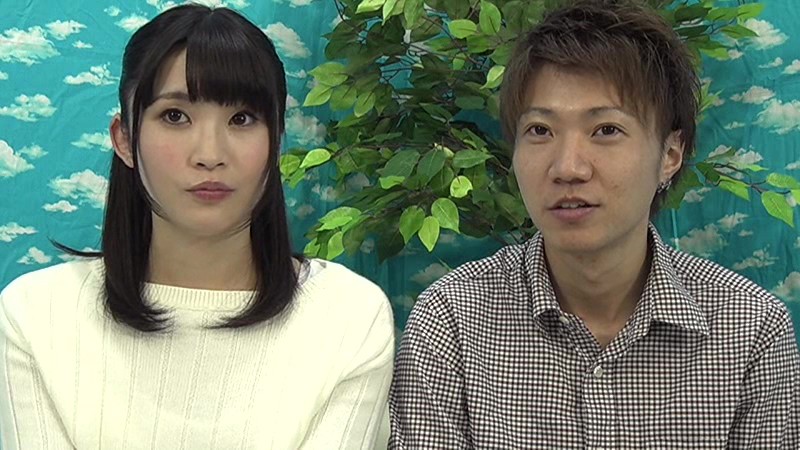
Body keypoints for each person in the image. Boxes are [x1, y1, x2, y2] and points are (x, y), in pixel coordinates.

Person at [389, 0, 799, 448]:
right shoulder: (451, 321)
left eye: (606, 130)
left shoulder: (750, 330)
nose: (568, 168)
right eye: (540, 130)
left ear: (670, 155)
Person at [0, 4, 394, 449]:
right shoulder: (36, 316)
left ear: (277, 141)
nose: (209, 154)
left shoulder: (348, 318)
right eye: (175, 116)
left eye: (242, 119)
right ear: (124, 139)